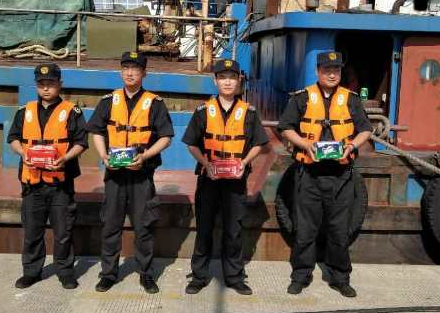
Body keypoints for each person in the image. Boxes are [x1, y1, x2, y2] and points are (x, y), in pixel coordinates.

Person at [277, 51, 372, 298]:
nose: (332, 74)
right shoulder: (301, 98)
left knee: (339, 230)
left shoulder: (351, 99)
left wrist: (352, 145)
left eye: (336, 70)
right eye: (327, 70)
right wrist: (304, 144)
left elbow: (365, 130)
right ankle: (301, 275)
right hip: (309, 174)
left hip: (341, 176)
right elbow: (285, 127)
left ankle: (340, 277)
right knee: (305, 230)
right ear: (317, 71)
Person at [86, 51, 174, 294]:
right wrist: (104, 157)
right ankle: (108, 274)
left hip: (141, 176)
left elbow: (166, 137)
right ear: (120, 71)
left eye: (135, 69)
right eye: (125, 68)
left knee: (144, 227)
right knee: (110, 226)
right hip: (114, 175)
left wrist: (145, 156)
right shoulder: (108, 100)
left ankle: (146, 274)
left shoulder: (155, 103)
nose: (130, 73)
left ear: (144, 73)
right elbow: (96, 131)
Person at [182, 59, 269, 295]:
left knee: (234, 230)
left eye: (232, 77)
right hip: (209, 178)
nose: (228, 82)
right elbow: (191, 143)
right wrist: (206, 164)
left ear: (239, 80)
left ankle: (234, 277)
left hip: (236, 180)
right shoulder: (203, 111)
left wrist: (244, 162)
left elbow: (259, 143)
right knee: (204, 228)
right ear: (215, 81)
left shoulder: (249, 112)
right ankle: (199, 276)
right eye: (222, 77)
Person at [7, 63, 87, 290]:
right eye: (41, 84)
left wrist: (65, 158)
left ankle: (65, 272)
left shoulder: (72, 111)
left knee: (63, 232)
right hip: (32, 183)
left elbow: (81, 142)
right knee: (32, 231)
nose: (45, 88)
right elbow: (13, 138)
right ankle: (31, 272)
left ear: (59, 84)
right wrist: (23, 153)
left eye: (50, 83)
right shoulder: (25, 111)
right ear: (36, 85)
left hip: (60, 183)